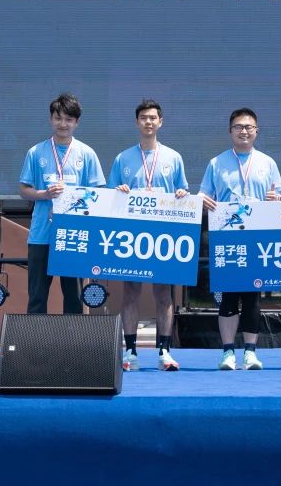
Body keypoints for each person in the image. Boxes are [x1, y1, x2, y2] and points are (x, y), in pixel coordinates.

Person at [199, 108, 281, 370]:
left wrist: (277, 199)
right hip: (227, 237)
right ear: (230, 131)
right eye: (238, 127)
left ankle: (250, 352)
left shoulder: (268, 163)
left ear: (256, 131)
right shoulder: (216, 163)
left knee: (252, 296)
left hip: (257, 238)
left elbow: (279, 199)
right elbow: (204, 196)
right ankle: (227, 352)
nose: (244, 131)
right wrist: (202, 200)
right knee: (228, 296)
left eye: (249, 127)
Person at [107, 99, 190, 372]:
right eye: (144, 117)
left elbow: (183, 192)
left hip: (163, 233)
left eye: (153, 117)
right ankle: (130, 352)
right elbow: (108, 195)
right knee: (130, 292)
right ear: (137, 122)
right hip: (132, 234)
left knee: (163, 294)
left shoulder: (173, 157)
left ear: (160, 122)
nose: (149, 122)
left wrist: (181, 194)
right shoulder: (122, 158)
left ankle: (164, 351)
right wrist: (118, 191)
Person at [17, 92, 104, 315]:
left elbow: (98, 194)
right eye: (58, 118)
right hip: (41, 233)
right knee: (37, 296)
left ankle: (72, 337)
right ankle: (35, 337)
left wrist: (76, 198)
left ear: (77, 122)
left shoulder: (87, 154)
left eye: (68, 119)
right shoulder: (36, 152)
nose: (63, 124)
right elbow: (23, 190)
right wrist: (45, 194)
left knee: (74, 297)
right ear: (51, 119)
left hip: (74, 235)